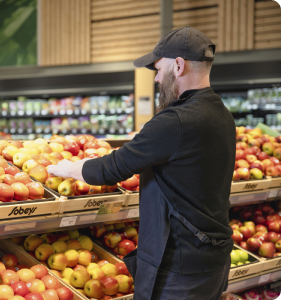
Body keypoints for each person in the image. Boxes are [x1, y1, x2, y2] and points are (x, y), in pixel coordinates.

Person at [47, 26, 236, 300]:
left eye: (159, 69)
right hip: (213, 259)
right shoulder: (222, 115)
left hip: (178, 267)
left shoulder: (175, 121)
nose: (158, 79)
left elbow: (111, 168)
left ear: (179, 66)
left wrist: (65, 168)